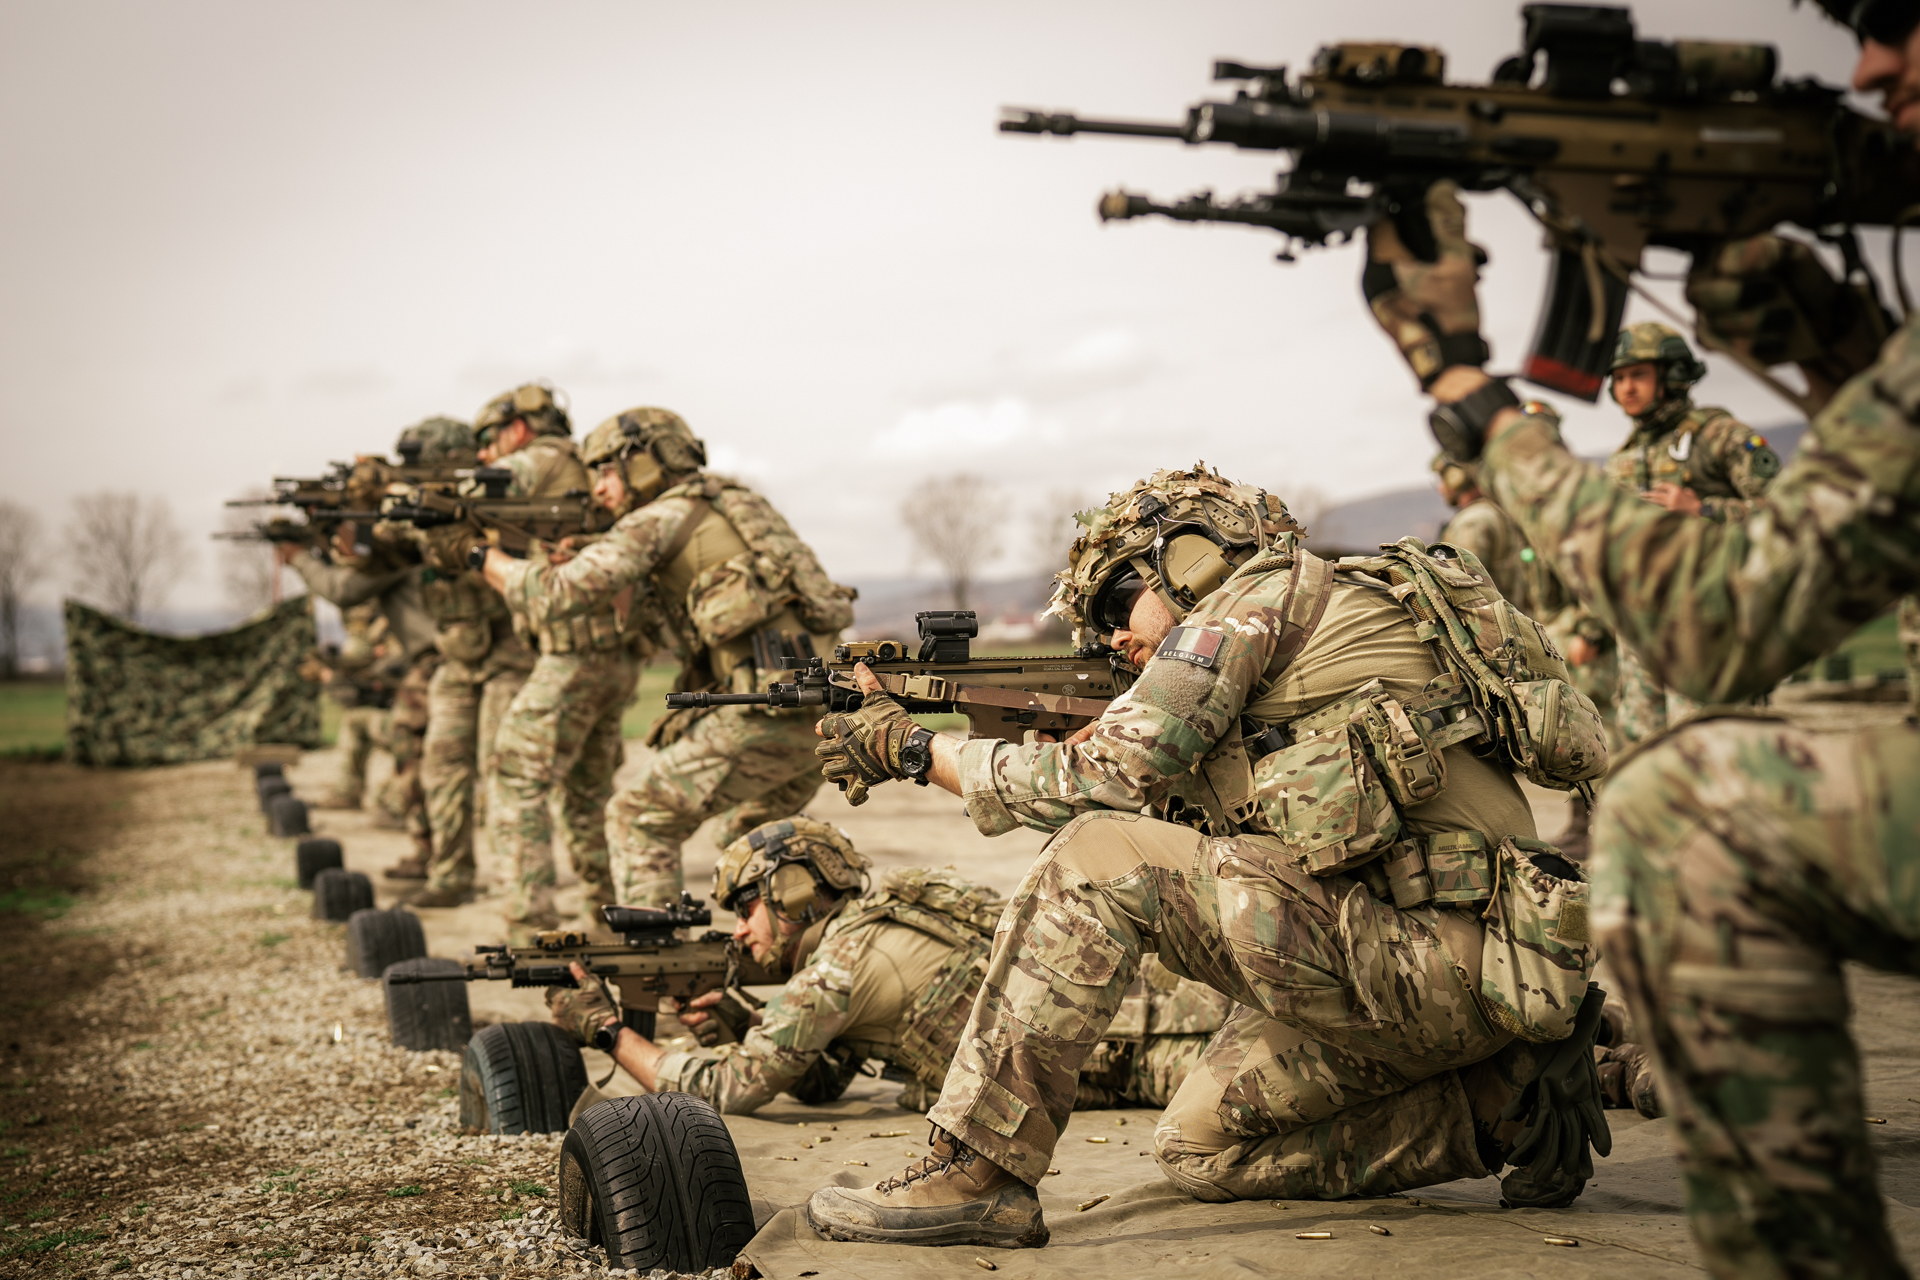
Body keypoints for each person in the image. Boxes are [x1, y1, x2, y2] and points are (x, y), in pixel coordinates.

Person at [1353, 2, 1917, 1268]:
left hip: (1684, 639)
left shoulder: (1715, 441)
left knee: (1684, 811)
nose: (1869, 65)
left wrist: (1471, 393)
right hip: (1629, 651)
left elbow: (1732, 604)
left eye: (1897, 20)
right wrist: (1814, 326)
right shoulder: (1652, 443)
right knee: (1633, 778)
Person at [799, 465, 1610, 1249]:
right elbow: (1240, 841)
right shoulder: (1317, 628)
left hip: (1436, 961)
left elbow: (1100, 784)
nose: (1114, 637)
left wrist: (913, 749)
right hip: (1452, 974)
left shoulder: (1253, 601)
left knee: (1096, 859)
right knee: (1196, 1147)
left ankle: (977, 1173)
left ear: (1189, 556)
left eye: (1119, 600)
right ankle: (1503, 1106)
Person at [546, 817, 1232, 1118]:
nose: (741, 931)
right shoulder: (881, 918)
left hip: (1148, 1050)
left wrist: (608, 1032)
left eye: (747, 908)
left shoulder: (838, 968)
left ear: (793, 893)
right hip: (1151, 1012)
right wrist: (734, 1018)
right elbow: (823, 1082)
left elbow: (732, 1087)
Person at [477, 406, 856, 914]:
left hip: (767, 713)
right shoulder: (736, 504)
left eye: (606, 472)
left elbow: (554, 594)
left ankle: (656, 955)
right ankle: (800, 947)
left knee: (638, 817)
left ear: (642, 462)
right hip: (826, 714)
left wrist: (482, 557)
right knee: (748, 838)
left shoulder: (656, 518)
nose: (598, 489)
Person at [473, 384, 647, 930]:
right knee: (588, 795)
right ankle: (612, 917)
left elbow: (472, 489)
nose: (485, 452)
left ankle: (530, 924)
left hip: (575, 657)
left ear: (518, 429)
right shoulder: (579, 466)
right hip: (613, 657)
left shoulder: (541, 458)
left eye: (490, 439)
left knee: (515, 776)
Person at [1602, 323, 1782, 745]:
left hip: (1709, 623)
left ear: (1673, 375)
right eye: (1619, 378)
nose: (1627, 388)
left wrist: (1703, 509)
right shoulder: (1623, 458)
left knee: (1714, 748)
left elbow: (1788, 513)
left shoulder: (1718, 436)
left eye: (1638, 375)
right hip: (1640, 631)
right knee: (1646, 751)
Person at [387, 416, 537, 902]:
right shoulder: (418, 507)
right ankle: (451, 875)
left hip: (507, 654)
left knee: (501, 770)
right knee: (442, 765)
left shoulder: (497, 497)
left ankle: (514, 887)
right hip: (456, 657)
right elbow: (383, 538)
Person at [277, 474, 443, 876]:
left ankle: (436, 856)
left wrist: (299, 557)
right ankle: (434, 855)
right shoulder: (405, 545)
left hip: (436, 660)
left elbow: (343, 588)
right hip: (434, 660)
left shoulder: (397, 551)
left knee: (416, 749)